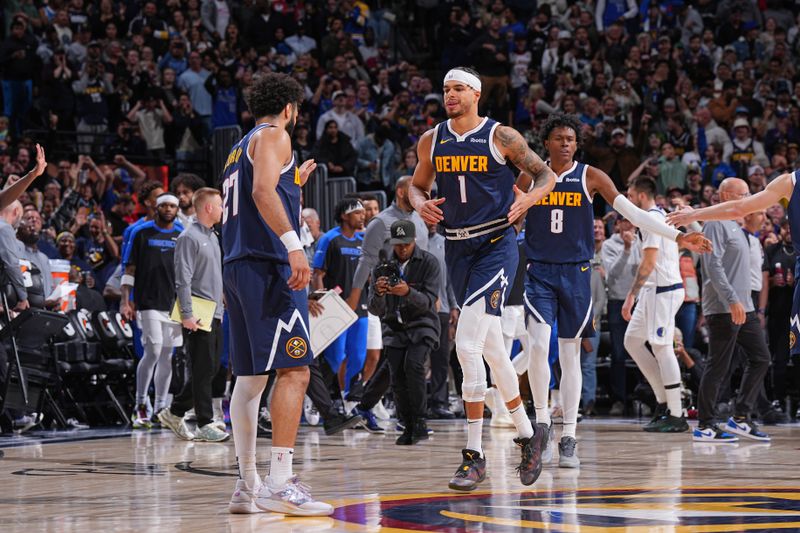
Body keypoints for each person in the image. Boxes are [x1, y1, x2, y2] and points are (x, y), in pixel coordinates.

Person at [520, 114, 710, 468]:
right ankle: (542, 425)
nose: (565, 143)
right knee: (537, 344)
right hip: (539, 272)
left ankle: (569, 437)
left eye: (571, 139)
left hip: (576, 273)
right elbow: (510, 217)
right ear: (545, 143)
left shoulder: (591, 176)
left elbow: (636, 214)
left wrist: (680, 236)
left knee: (570, 354)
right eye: (558, 138)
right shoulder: (529, 174)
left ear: (577, 144)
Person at [409, 66, 558, 490]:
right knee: (493, 350)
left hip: (496, 245)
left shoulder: (501, 136)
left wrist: (529, 197)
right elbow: (416, 187)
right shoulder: (431, 139)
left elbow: (545, 173)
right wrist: (420, 204)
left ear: (475, 93)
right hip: (457, 246)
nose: (450, 95)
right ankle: (530, 436)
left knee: (466, 345)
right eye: (446, 89)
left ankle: (474, 455)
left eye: (458, 88)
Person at [220, 72, 331, 516]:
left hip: (237, 265)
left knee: (249, 379)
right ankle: (281, 483)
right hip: (268, 266)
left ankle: (248, 486)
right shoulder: (275, 136)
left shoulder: (238, 147)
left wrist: (293, 186)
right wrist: (295, 246)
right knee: (296, 371)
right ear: (290, 108)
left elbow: (261, 194)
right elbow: (262, 191)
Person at [669, 177, 775, 442]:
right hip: (724, 307)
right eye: (745, 194)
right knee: (718, 366)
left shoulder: (736, 225)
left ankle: (740, 418)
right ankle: (705, 424)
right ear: (727, 196)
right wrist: (731, 300)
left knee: (761, 358)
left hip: (744, 306)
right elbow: (712, 266)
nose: (749, 198)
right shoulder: (715, 222)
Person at [157, 188, 229, 443]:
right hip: (197, 313)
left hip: (215, 311)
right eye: (220, 205)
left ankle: (174, 412)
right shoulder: (189, 237)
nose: (223, 209)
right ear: (208, 208)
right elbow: (183, 279)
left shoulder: (214, 236)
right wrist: (187, 314)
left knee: (211, 369)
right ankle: (205, 423)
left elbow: (213, 275)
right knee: (202, 369)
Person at [621, 177, 690, 433]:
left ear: (640, 196)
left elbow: (649, 263)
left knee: (662, 347)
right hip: (653, 291)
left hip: (663, 290)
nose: (628, 202)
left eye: (629, 196)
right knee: (632, 341)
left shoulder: (652, 219)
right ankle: (663, 402)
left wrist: (630, 296)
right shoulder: (654, 217)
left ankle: (676, 413)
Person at [368, 220, 441, 445]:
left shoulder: (429, 262)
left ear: (414, 241)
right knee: (397, 376)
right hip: (394, 327)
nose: (401, 249)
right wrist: (379, 294)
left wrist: (408, 291)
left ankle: (420, 422)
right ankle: (406, 423)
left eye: (406, 244)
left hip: (423, 324)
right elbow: (374, 308)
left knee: (414, 366)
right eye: (398, 244)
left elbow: (429, 302)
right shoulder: (381, 267)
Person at [121, 193, 183, 428]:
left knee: (167, 355)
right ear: (156, 208)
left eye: (172, 206)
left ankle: (160, 408)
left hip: (174, 304)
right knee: (154, 350)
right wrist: (125, 300)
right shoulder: (141, 232)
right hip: (147, 302)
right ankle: (140, 404)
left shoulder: (181, 234)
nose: (168, 209)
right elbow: (130, 268)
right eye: (164, 205)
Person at [311, 198, 368, 399]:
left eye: (363, 212)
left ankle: (351, 399)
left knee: (359, 357)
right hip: (336, 308)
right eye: (358, 213)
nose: (363, 216)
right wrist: (320, 301)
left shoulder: (364, 241)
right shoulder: (329, 239)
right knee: (335, 357)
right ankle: (320, 400)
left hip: (360, 307)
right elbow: (318, 273)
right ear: (344, 215)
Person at [601, 215, 641, 415]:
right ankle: (619, 400)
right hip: (618, 301)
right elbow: (612, 275)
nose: (628, 224)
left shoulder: (642, 241)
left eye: (631, 220)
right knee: (618, 354)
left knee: (644, 351)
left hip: (639, 302)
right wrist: (626, 250)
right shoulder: (609, 245)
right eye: (624, 220)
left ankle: (645, 397)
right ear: (617, 224)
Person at [426, 219, 457, 420]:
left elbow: (450, 278)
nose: (432, 223)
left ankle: (439, 402)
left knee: (441, 358)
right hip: (420, 308)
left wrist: (454, 305)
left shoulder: (444, 242)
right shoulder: (415, 240)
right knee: (418, 359)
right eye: (428, 219)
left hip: (443, 309)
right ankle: (417, 404)